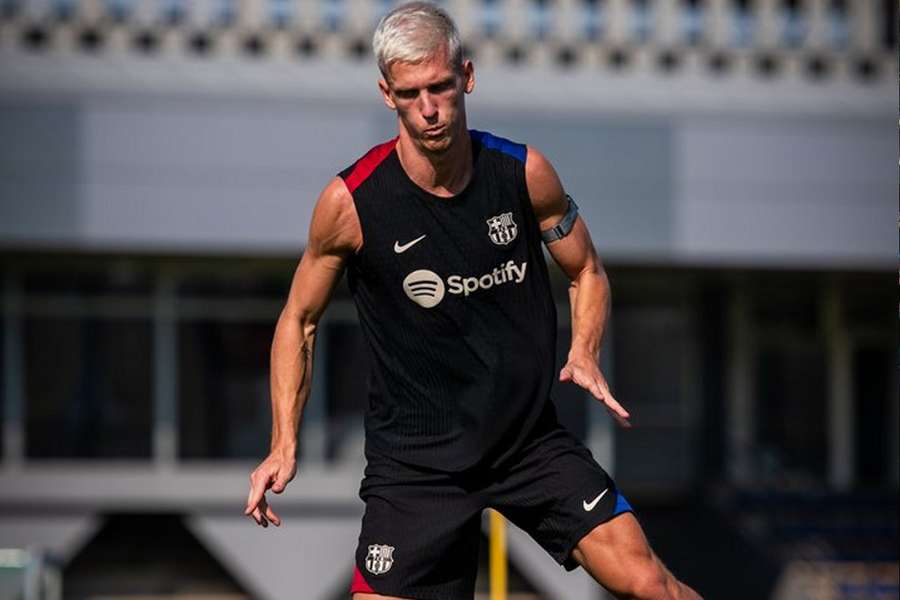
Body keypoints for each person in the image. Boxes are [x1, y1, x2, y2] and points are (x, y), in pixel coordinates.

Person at [245, 3, 702, 599]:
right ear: (387, 94)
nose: (430, 109)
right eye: (411, 94)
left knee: (649, 583)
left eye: (440, 86)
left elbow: (585, 269)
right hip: (416, 464)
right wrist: (284, 441)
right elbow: (298, 320)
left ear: (468, 75)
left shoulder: (523, 174)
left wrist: (584, 349)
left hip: (526, 441)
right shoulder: (350, 205)